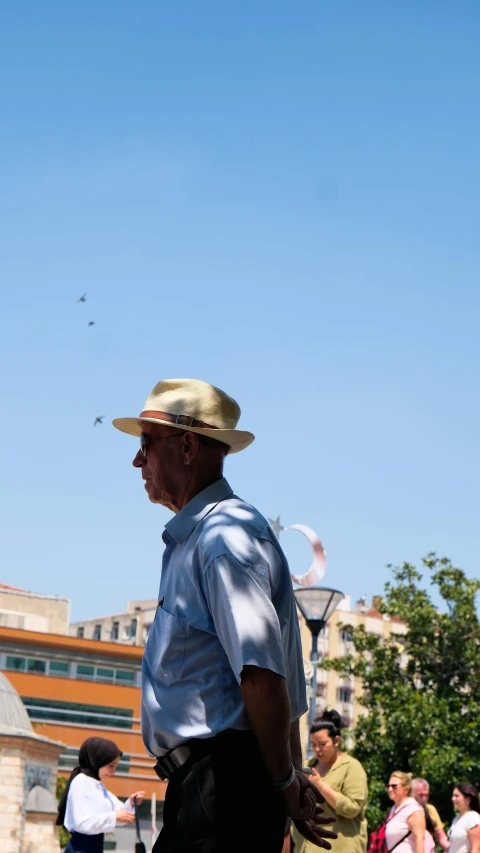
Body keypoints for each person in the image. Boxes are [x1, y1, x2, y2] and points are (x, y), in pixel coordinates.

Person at [113, 378, 337, 853]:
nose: (138, 460)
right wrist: (287, 779)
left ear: (189, 445)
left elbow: (262, 674)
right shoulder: (211, 538)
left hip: (223, 785)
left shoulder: (222, 540)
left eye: (146, 443)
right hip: (215, 786)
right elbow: (276, 679)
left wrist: (282, 784)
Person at [291, 710, 368, 853]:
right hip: (306, 847)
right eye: (313, 745)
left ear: (336, 740)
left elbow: (352, 808)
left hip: (341, 847)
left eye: (322, 744)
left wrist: (320, 786)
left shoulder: (352, 767)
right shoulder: (309, 765)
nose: (317, 749)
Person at [56, 736, 145, 853]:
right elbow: (83, 823)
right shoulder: (81, 782)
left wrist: (131, 803)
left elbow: (119, 813)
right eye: (111, 766)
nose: (113, 772)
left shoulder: (97, 785)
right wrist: (115, 816)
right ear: (97, 760)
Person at [385, 772, 431, 853]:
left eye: (394, 786)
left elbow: (420, 839)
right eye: (388, 786)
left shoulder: (413, 809)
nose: (390, 789)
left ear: (406, 789)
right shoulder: (394, 809)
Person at [411, 778, 449, 851]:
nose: (424, 798)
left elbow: (441, 836)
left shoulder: (430, 809)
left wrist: (452, 849)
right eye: (421, 795)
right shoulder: (405, 811)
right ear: (412, 794)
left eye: (426, 795)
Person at [448, 782, 480, 853]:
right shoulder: (456, 819)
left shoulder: (473, 818)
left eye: (457, 796)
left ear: (468, 799)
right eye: (453, 796)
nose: (453, 799)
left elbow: (476, 848)